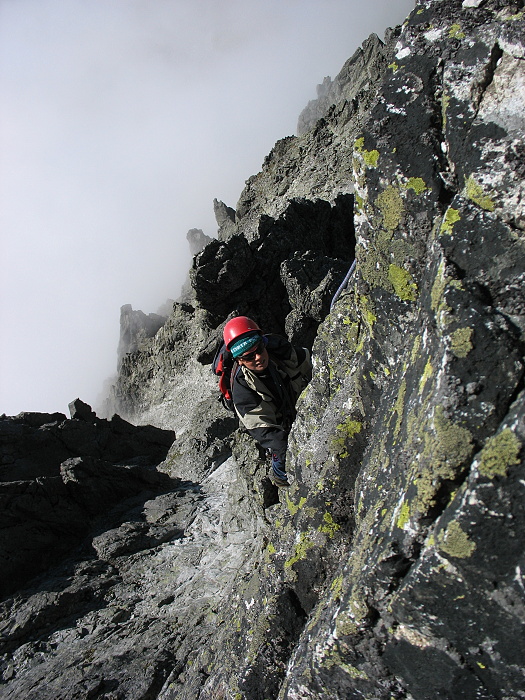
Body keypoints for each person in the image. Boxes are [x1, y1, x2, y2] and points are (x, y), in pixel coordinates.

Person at [223, 316, 312, 487]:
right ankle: (280, 476)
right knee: (280, 448)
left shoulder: (280, 350)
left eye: (259, 348)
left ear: (264, 342)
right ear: (239, 361)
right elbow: (263, 429)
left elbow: (309, 359)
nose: (257, 357)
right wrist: (283, 447)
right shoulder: (242, 390)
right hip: (274, 421)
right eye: (249, 357)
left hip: (294, 404)